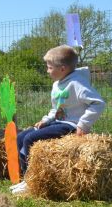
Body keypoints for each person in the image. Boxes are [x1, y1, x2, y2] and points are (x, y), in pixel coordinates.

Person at [10, 45, 105, 194]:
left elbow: (98, 103)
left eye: (49, 67)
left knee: (29, 138)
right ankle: (25, 178)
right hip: (57, 122)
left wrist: (83, 125)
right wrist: (46, 120)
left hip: (70, 124)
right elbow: (56, 108)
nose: (47, 71)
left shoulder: (77, 83)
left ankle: (31, 182)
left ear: (62, 68)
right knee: (21, 137)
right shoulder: (57, 84)